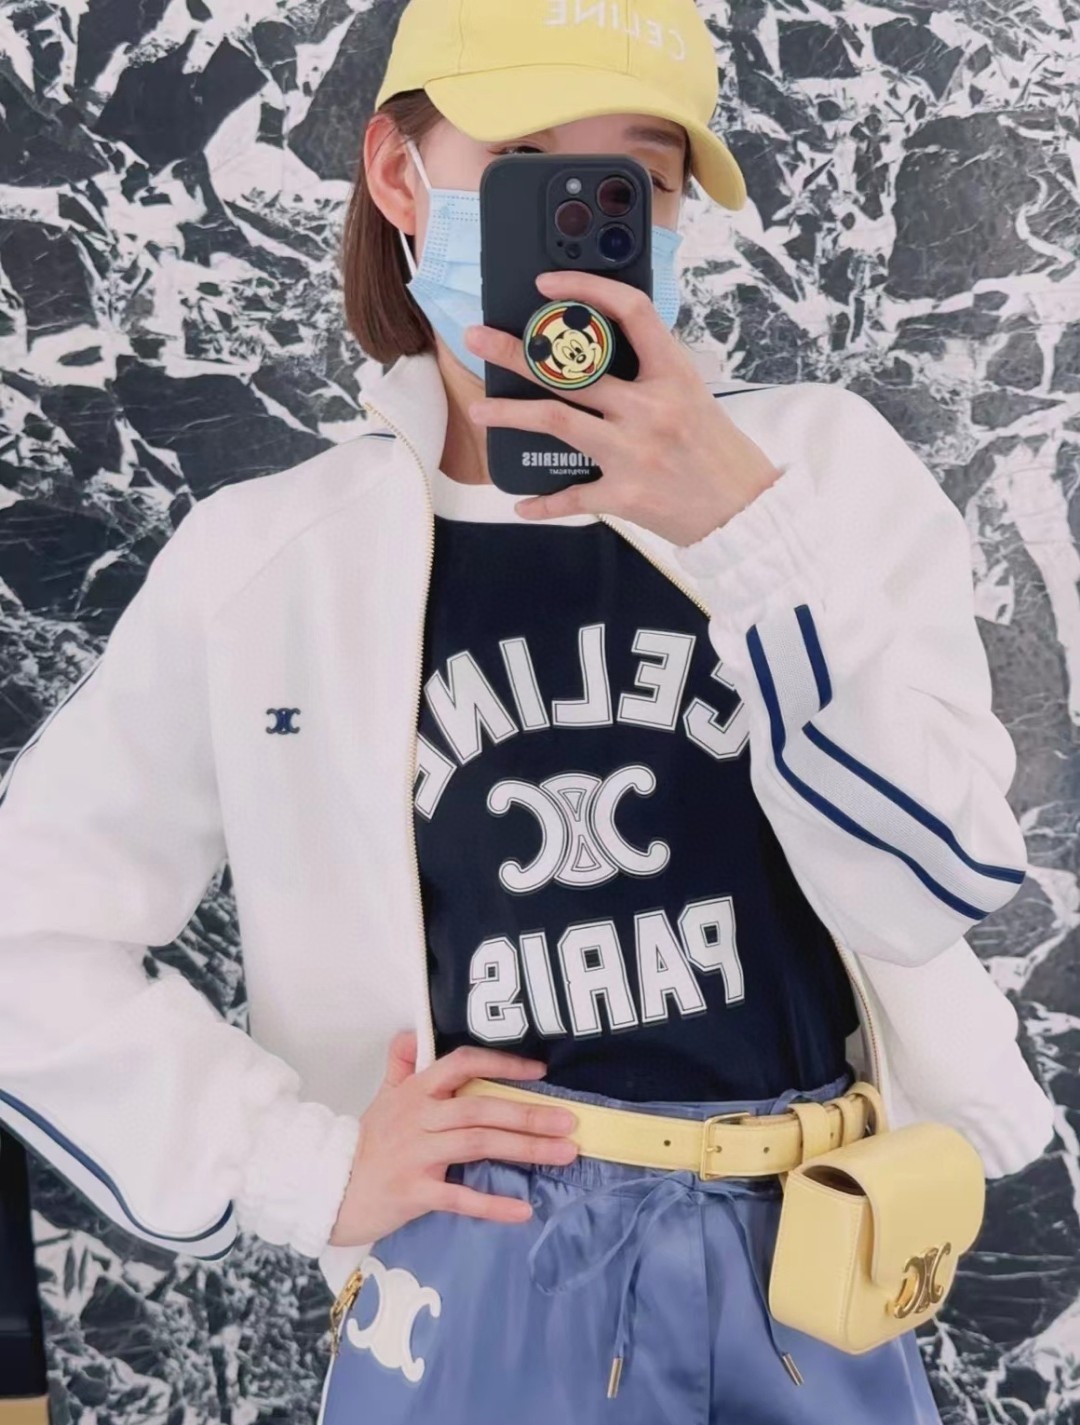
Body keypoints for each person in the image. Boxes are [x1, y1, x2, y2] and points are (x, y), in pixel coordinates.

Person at [0, 1, 1055, 1422]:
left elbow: (932, 887)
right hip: (482, 1260)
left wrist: (744, 532)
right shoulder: (270, 565)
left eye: (637, 179)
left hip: (822, 1243)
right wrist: (299, 1167)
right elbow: (26, 930)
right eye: (526, 164)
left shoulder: (818, 478)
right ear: (399, 175)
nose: (582, 219)